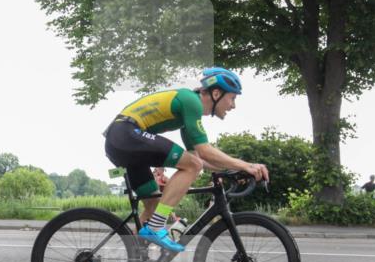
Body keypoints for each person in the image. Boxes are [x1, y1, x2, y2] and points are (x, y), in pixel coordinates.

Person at [104, 66, 269, 252]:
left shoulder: (187, 115)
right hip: (125, 134)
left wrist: (231, 170)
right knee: (191, 167)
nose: (233, 105)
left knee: (153, 203)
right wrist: (247, 166)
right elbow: (202, 156)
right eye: (232, 98)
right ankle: (156, 227)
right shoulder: (191, 101)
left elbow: (198, 157)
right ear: (216, 93)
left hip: (121, 142)